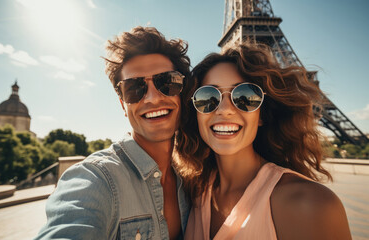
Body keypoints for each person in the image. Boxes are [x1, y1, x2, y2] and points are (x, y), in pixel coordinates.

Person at [175, 42, 352, 239]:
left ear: (261, 116)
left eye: (245, 96)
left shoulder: (311, 204)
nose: (225, 109)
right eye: (207, 98)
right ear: (196, 114)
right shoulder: (193, 193)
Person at [35, 26, 193, 240]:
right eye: (134, 88)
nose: (152, 98)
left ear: (183, 91)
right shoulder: (95, 180)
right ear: (122, 104)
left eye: (166, 82)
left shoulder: (194, 179)